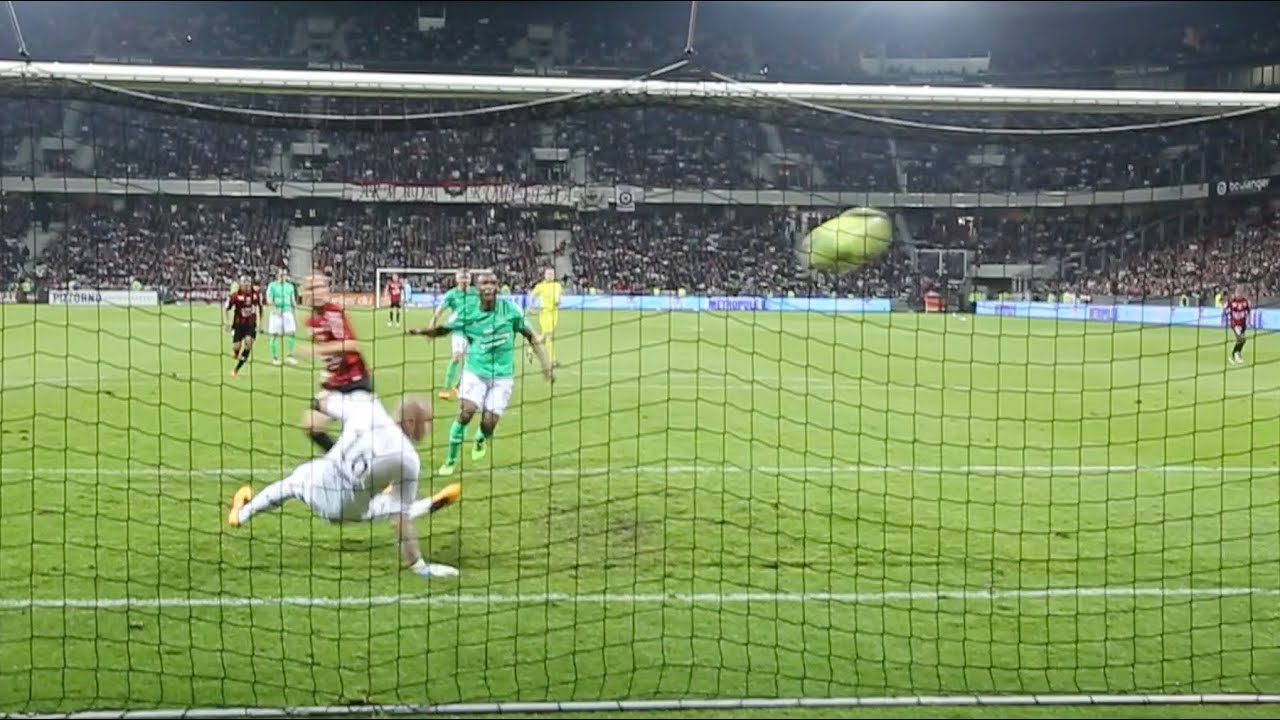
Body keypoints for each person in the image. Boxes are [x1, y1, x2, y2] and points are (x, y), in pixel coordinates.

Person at [226, 393, 462, 579]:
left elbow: (321, 402)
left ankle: (241, 514)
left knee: (291, 483)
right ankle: (426, 505)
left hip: (320, 487)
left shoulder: (367, 409)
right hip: (349, 511)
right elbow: (399, 520)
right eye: (428, 421)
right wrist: (418, 566)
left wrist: (320, 408)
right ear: (410, 422)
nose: (431, 428)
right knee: (394, 508)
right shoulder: (409, 460)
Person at [409, 271, 555, 476]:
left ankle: (481, 438)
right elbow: (444, 329)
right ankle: (450, 460)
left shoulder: (511, 310)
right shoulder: (468, 312)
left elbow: (531, 337)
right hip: (475, 371)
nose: (488, 287)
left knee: (488, 423)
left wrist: (545, 365)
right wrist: (422, 331)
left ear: (497, 287)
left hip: (502, 376)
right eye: (484, 283)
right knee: (466, 412)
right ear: (477, 288)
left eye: (492, 283)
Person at [298, 273, 373, 453]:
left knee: (357, 434)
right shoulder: (311, 321)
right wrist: (327, 374)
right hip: (337, 382)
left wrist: (317, 350)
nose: (315, 292)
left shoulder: (333, 314)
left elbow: (351, 345)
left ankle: (347, 460)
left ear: (326, 290)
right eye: (311, 288)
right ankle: (342, 460)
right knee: (310, 424)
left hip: (354, 382)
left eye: (319, 287)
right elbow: (333, 355)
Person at [431, 269, 479, 401]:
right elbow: (440, 310)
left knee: (472, 362)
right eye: (462, 278)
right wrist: (432, 325)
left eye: (467, 278)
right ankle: (446, 388)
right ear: (457, 279)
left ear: (470, 279)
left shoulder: (475, 293)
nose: (464, 281)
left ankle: (458, 386)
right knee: (456, 357)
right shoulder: (452, 294)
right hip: (458, 331)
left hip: (474, 331)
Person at [224, 274, 262, 378]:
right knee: (236, 346)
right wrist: (227, 322)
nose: (246, 284)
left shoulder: (255, 295)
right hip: (238, 325)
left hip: (250, 325)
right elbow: (226, 308)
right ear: (240, 284)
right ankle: (236, 352)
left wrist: (260, 324)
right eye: (244, 282)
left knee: (248, 343)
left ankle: (236, 370)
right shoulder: (235, 296)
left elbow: (260, 308)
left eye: (248, 282)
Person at [529, 267, 563, 366]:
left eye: (552, 274)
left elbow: (558, 298)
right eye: (548, 274)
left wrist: (558, 302)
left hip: (554, 314)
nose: (550, 276)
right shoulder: (541, 286)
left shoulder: (557, 286)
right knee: (549, 336)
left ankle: (531, 350)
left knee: (544, 336)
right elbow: (532, 295)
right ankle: (552, 360)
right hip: (545, 313)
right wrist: (531, 306)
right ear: (545, 275)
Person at [265, 269, 300, 366]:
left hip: (287, 312)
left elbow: (292, 299)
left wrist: (294, 309)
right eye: (281, 275)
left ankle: (290, 356)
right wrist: (275, 309)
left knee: (291, 333)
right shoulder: (272, 286)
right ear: (277, 276)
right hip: (276, 313)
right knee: (274, 335)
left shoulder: (290, 286)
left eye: (284, 275)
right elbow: (269, 299)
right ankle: (274, 358)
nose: (283, 277)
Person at [1224, 284, 1251, 365]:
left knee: (1242, 340)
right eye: (1237, 293)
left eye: (1240, 293)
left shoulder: (1245, 302)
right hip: (1235, 324)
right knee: (1241, 339)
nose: (1238, 294)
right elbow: (1225, 309)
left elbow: (1248, 312)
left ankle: (1236, 354)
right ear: (1235, 293)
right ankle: (1235, 354)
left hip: (1243, 324)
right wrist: (1227, 311)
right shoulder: (1231, 302)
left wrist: (1248, 321)